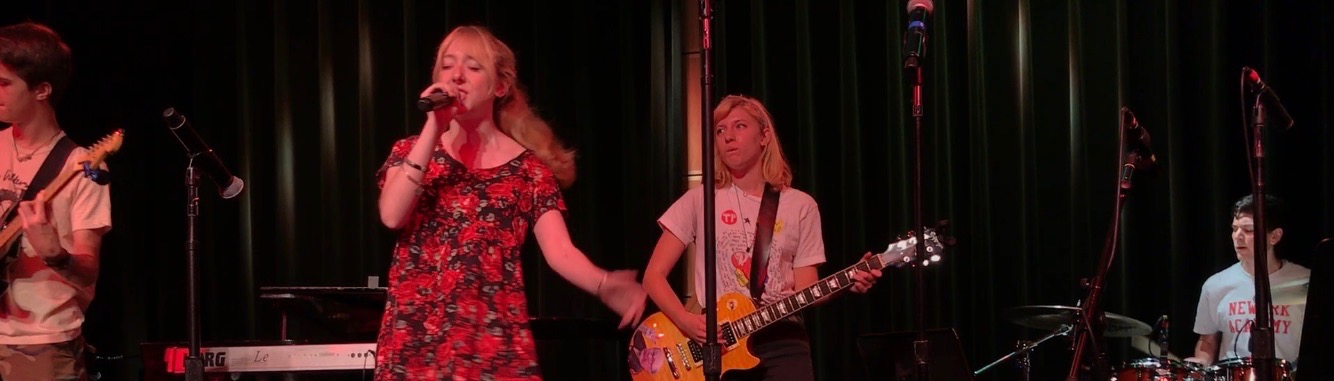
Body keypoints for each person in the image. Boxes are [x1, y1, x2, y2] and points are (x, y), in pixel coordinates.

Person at [374, 25, 646, 380]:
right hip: (416, 337)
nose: (456, 75)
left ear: (499, 86)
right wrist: (433, 128)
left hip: (491, 339)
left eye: (473, 67)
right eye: (448, 65)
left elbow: (560, 252)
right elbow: (392, 215)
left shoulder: (528, 170)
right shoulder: (410, 151)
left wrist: (605, 283)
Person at [641, 94, 881, 381]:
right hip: (720, 346)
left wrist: (846, 283)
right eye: (720, 130)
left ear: (764, 136)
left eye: (740, 126)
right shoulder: (700, 199)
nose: (728, 137)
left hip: (784, 341)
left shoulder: (800, 205)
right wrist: (686, 321)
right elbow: (653, 275)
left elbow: (806, 288)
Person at [0, 22, 113, 380]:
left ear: (42, 90)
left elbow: (88, 270)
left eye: (4, 84)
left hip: (41, 342)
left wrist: (54, 253)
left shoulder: (81, 166)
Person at [1186, 194, 1309, 367]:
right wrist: (1200, 363)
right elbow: (1207, 342)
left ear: (1275, 236)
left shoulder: (1304, 282)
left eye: (1248, 230)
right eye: (1234, 229)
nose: (1238, 236)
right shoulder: (1215, 285)